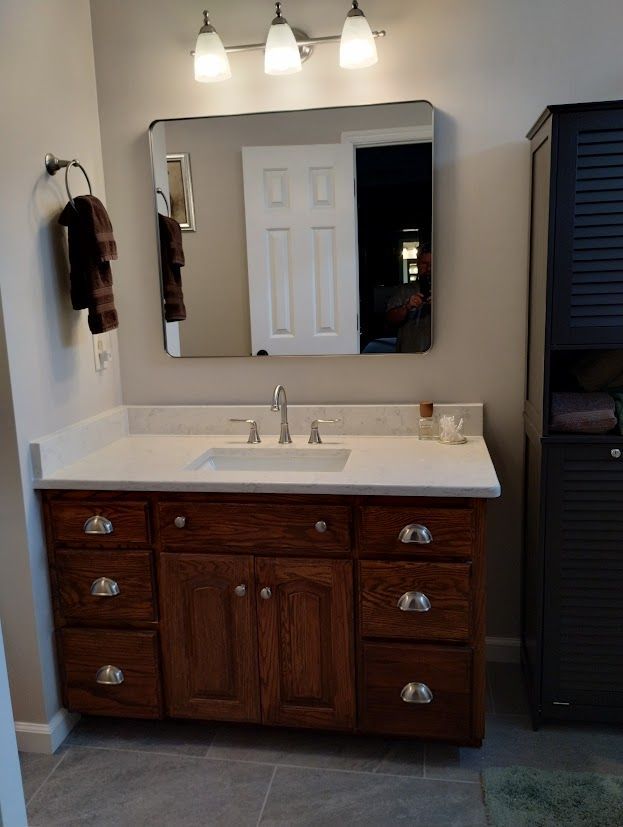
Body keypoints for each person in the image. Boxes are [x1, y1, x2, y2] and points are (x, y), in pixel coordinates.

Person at [386, 246, 432, 353]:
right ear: (417, 264)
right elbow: (390, 320)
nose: (429, 268)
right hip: (409, 354)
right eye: (424, 264)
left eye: (432, 264)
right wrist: (406, 307)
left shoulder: (450, 292)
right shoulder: (404, 290)